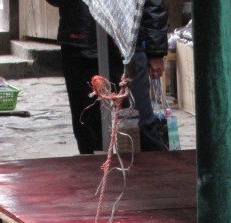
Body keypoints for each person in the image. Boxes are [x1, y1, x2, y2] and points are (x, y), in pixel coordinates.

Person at [45, 0, 168, 154]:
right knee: (88, 126)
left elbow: (152, 3)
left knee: (140, 122)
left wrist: (155, 51)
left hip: (126, 45)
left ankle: (153, 174)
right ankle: (95, 174)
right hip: (80, 42)